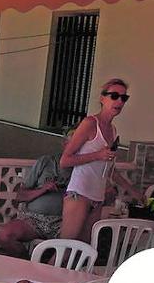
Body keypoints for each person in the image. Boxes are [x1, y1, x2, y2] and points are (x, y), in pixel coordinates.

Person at [59, 77, 142, 243]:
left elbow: (109, 169)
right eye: (114, 96)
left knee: (81, 249)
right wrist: (97, 155)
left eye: (123, 98)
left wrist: (133, 191)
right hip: (79, 193)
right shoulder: (90, 123)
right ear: (102, 98)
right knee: (66, 247)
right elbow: (65, 160)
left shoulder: (113, 130)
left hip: (97, 197)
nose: (119, 101)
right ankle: (43, 270)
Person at [0, 140, 70, 257]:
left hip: (63, 222)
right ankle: (26, 264)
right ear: (65, 144)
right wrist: (43, 189)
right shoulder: (46, 162)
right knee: (4, 234)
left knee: (73, 244)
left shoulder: (84, 169)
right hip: (33, 219)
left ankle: (49, 270)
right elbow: (20, 196)